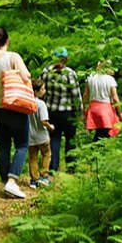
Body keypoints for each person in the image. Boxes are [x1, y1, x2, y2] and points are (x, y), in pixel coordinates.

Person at [0, 27, 31, 199]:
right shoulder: (12, 56)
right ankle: (12, 181)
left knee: (3, 145)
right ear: (7, 41)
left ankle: (4, 181)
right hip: (14, 106)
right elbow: (26, 76)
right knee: (22, 145)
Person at [40, 47, 83, 175]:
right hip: (68, 112)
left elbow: (41, 92)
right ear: (66, 58)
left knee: (54, 138)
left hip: (51, 112)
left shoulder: (45, 72)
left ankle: (53, 168)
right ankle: (71, 167)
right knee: (70, 138)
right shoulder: (69, 74)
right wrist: (79, 112)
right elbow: (76, 95)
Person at [83, 60, 122, 141]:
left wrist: (83, 109)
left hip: (93, 108)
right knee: (105, 131)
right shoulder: (110, 79)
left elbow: (85, 95)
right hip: (105, 108)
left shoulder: (90, 78)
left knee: (100, 130)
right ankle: (98, 149)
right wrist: (120, 112)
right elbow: (115, 97)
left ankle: (97, 148)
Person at [27, 78, 54, 189]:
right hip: (42, 136)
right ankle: (44, 177)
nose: (44, 91)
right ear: (36, 91)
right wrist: (50, 126)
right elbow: (43, 120)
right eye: (42, 89)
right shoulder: (40, 104)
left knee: (33, 157)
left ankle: (34, 180)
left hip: (29, 136)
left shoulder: (26, 102)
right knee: (47, 154)